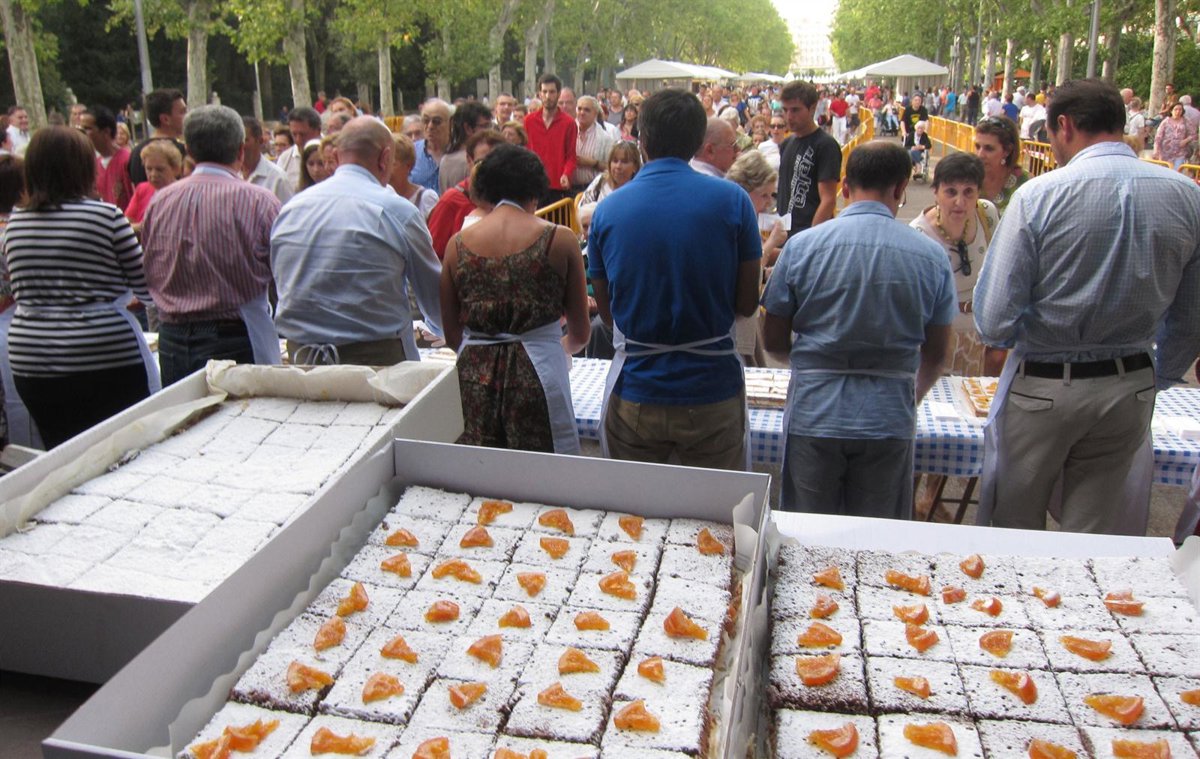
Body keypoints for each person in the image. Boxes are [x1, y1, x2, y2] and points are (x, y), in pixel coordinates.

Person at [973, 78, 1200, 536]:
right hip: (1129, 383)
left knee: (1013, 530)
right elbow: (1191, 315)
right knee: (1093, 536)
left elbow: (993, 318)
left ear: (1065, 125)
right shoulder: (1186, 195)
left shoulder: (1039, 196)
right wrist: (1157, 376)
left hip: (1042, 383)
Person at [762, 142, 955, 517]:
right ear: (901, 188)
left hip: (815, 411)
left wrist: (814, 365)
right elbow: (936, 355)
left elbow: (773, 339)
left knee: (808, 535)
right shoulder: (932, 257)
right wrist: (906, 394)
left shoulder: (802, 247)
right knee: (875, 539)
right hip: (889, 416)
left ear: (846, 187)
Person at [588, 89, 762, 470]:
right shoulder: (734, 201)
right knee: (717, 505)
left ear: (642, 140)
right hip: (713, 391)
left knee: (635, 505)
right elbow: (747, 304)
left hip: (637, 391)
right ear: (699, 143)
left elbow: (608, 313)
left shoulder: (607, 210)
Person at [1, 127, 158, 447]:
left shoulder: (15, 225)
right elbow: (147, 286)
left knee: (63, 450)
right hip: (103, 353)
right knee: (124, 449)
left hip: (32, 357)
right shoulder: (106, 217)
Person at [440, 144, 589, 453]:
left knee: (480, 469)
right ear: (535, 190)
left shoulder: (457, 245)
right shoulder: (559, 239)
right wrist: (553, 348)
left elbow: (452, 334)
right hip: (540, 373)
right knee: (542, 471)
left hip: (474, 376)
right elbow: (580, 334)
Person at [271, 117, 443, 366]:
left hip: (303, 361)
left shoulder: (291, 210)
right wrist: (446, 334)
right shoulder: (397, 211)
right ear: (385, 158)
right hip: (379, 363)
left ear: (336, 156)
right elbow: (434, 298)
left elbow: (282, 283)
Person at [141, 105, 282, 386]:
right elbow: (282, 274)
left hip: (174, 337)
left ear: (188, 151)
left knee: (185, 414)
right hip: (235, 337)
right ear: (240, 150)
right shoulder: (259, 202)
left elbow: (149, 268)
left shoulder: (160, 201)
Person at [909, 152, 1002, 377]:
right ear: (935, 192)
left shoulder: (987, 215)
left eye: (968, 192)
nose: (960, 202)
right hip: (935, 340)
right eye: (951, 192)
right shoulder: (917, 235)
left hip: (980, 337)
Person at [727, 149, 786, 367]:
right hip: (733, 326)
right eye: (763, 195)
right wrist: (772, 243)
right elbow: (743, 272)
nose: (768, 203)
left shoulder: (743, 215)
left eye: (771, 195)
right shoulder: (732, 216)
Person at [776, 81, 841, 237]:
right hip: (785, 233)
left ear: (812, 108)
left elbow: (828, 200)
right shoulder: (786, 144)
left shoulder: (826, 145)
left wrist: (810, 238)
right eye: (785, 110)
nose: (789, 116)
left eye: (795, 110)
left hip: (810, 234)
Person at [427, 130, 506, 258]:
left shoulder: (511, 197)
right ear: (469, 160)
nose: (490, 169)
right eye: (482, 163)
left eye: (497, 163)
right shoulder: (451, 200)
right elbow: (432, 256)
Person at [524, 74, 577, 205]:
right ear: (539, 94)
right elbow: (525, 152)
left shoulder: (569, 123)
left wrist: (566, 174)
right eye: (545, 91)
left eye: (552, 92)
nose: (548, 96)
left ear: (558, 94)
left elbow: (571, 156)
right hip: (534, 185)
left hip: (558, 188)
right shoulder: (528, 121)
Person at [128, 89, 186, 186]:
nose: (187, 116)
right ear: (165, 119)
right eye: (182, 112)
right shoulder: (181, 151)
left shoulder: (135, 152)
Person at [974, 116, 1029, 215]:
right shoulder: (966, 177)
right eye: (977, 147)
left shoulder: (1025, 183)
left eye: (989, 149)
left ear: (1007, 150)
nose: (980, 155)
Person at [83, 106, 134, 211]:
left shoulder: (127, 160)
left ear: (106, 131)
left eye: (88, 129)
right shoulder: (95, 165)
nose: (83, 133)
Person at [124, 139, 184, 227]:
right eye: (149, 169)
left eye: (160, 169)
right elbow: (126, 223)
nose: (153, 174)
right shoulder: (142, 189)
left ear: (176, 169)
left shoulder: (182, 192)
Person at [439, 101, 493, 193]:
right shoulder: (472, 161)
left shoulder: (445, 159)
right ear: (468, 128)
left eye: (489, 125)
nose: (490, 132)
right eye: (484, 126)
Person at [576, 140, 641, 214]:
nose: (618, 166)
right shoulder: (601, 181)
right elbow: (581, 210)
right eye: (615, 161)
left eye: (624, 162)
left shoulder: (639, 191)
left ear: (635, 166)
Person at [241, 117, 294, 204]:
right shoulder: (229, 175)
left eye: (244, 140)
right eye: (235, 140)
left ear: (260, 141)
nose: (239, 145)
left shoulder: (277, 178)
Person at [389, 133, 438, 219]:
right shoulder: (380, 197)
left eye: (393, 164)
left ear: (408, 166)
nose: (386, 169)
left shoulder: (426, 199)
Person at [571, 95, 613, 194]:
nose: (582, 113)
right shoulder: (568, 131)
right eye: (579, 109)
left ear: (595, 113)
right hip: (568, 189)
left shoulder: (605, 139)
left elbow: (611, 168)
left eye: (587, 110)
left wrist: (594, 163)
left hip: (593, 190)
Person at [411, 98, 451, 191]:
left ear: (450, 123)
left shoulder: (460, 153)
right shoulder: (411, 152)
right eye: (425, 120)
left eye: (436, 121)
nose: (430, 126)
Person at [278, 106, 320, 190]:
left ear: (318, 131)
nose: (298, 140)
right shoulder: (285, 159)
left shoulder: (333, 153)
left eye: (303, 134)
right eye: (294, 134)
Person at [1153, 103, 1194, 169]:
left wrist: (1185, 141)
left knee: (1177, 171)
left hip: (1180, 153)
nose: (1178, 111)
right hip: (1165, 153)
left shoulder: (1186, 121)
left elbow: (1193, 135)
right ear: (1171, 111)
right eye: (1176, 109)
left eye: (1180, 109)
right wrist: (1156, 150)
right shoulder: (1165, 122)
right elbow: (1158, 137)